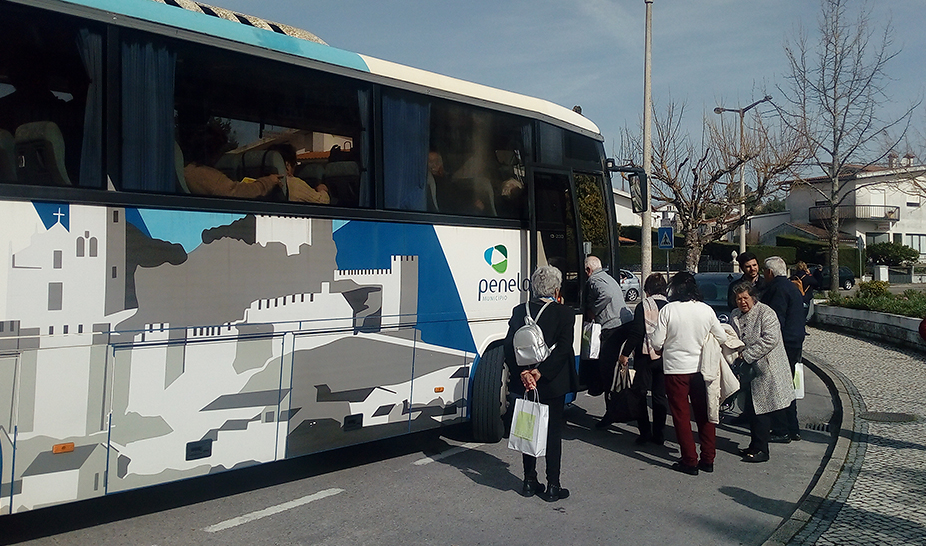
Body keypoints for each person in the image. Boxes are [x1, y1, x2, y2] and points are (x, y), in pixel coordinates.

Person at [504, 265, 578, 502]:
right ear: (556, 289)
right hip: (552, 382)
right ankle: (553, 485)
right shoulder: (564, 313)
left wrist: (524, 373)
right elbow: (565, 348)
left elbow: (508, 347)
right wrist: (541, 372)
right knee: (552, 433)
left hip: (525, 383)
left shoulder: (518, 311)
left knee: (528, 428)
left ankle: (528, 480)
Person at [650, 272, 727, 476]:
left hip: (676, 369)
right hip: (702, 369)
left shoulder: (668, 310)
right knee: (706, 414)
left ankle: (689, 460)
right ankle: (708, 458)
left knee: (681, 416)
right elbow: (720, 336)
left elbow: (657, 342)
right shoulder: (706, 310)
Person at [729, 281, 797, 463]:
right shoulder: (735, 315)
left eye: (745, 298)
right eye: (738, 299)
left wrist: (747, 355)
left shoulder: (766, 312)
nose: (742, 302)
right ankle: (754, 445)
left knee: (762, 411)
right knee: (752, 410)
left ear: (753, 298)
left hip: (767, 369)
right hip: (748, 373)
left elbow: (771, 339)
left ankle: (762, 450)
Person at [618, 273, 669, 445]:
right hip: (665, 357)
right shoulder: (670, 306)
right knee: (659, 395)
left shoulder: (643, 306)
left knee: (639, 394)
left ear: (647, 290)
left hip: (644, 357)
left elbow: (636, 332)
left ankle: (645, 431)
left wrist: (625, 353)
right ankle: (659, 434)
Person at [584, 255, 634, 428]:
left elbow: (605, 295)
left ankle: (611, 413)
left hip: (612, 327)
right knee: (618, 371)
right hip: (626, 322)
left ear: (588, 270)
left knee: (607, 371)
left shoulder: (594, 281)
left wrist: (593, 311)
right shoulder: (608, 277)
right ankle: (624, 409)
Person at [760, 256, 806, 443]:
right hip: (795, 341)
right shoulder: (790, 287)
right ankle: (792, 428)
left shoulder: (777, 289)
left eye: (764, 271)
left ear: (769, 272)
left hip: (783, 343)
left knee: (777, 386)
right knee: (787, 386)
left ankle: (781, 429)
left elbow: (775, 319)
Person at [181, 124, 283, 199]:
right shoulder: (202, 174)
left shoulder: (188, 170)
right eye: (219, 150)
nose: (220, 155)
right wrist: (269, 181)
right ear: (211, 151)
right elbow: (236, 193)